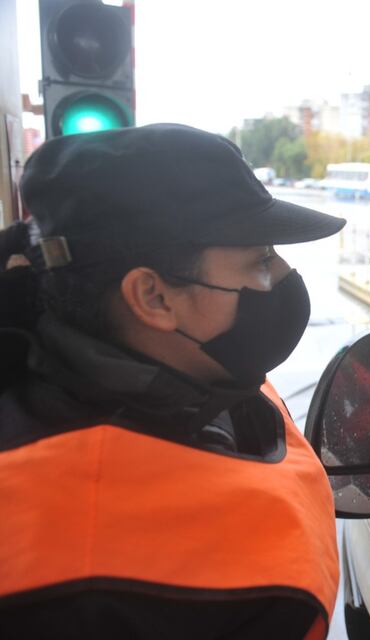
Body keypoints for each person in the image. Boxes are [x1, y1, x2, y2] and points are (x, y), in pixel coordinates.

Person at [0, 124, 346, 638]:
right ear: (154, 298)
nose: (282, 278)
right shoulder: (90, 583)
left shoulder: (202, 371)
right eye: (259, 262)